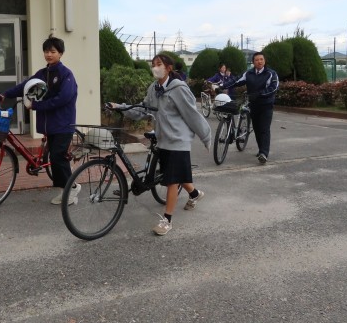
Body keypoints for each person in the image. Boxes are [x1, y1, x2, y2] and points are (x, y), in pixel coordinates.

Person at [110, 54, 211, 236]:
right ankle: (195, 194)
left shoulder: (179, 89)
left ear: (168, 68)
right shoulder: (153, 88)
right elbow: (144, 109)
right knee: (173, 173)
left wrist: (206, 136)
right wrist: (121, 107)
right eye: (153, 64)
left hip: (178, 140)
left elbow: (192, 114)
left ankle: (167, 220)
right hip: (163, 138)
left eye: (159, 64)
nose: (155, 67)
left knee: (171, 180)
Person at [0, 35, 79, 205]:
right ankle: (66, 190)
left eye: (53, 51)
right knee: (55, 159)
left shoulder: (66, 74)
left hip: (64, 124)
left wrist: (37, 106)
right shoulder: (42, 74)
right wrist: (6, 94)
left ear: (60, 53)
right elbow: (25, 86)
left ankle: (71, 189)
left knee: (57, 157)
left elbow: (63, 98)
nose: (49, 54)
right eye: (46, 51)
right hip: (50, 125)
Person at [220, 52, 279, 164]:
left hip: (266, 105)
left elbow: (273, 88)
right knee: (256, 128)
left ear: (264, 61)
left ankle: (264, 153)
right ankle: (261, 150)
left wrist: (259, 94)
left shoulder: (271, 73)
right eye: (257, 60)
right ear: (253, 62)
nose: (259, 62)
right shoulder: (249, 73)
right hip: (253, 105)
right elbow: (236, 80)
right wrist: (222, 86)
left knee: (264, 128)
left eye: (261, 59)